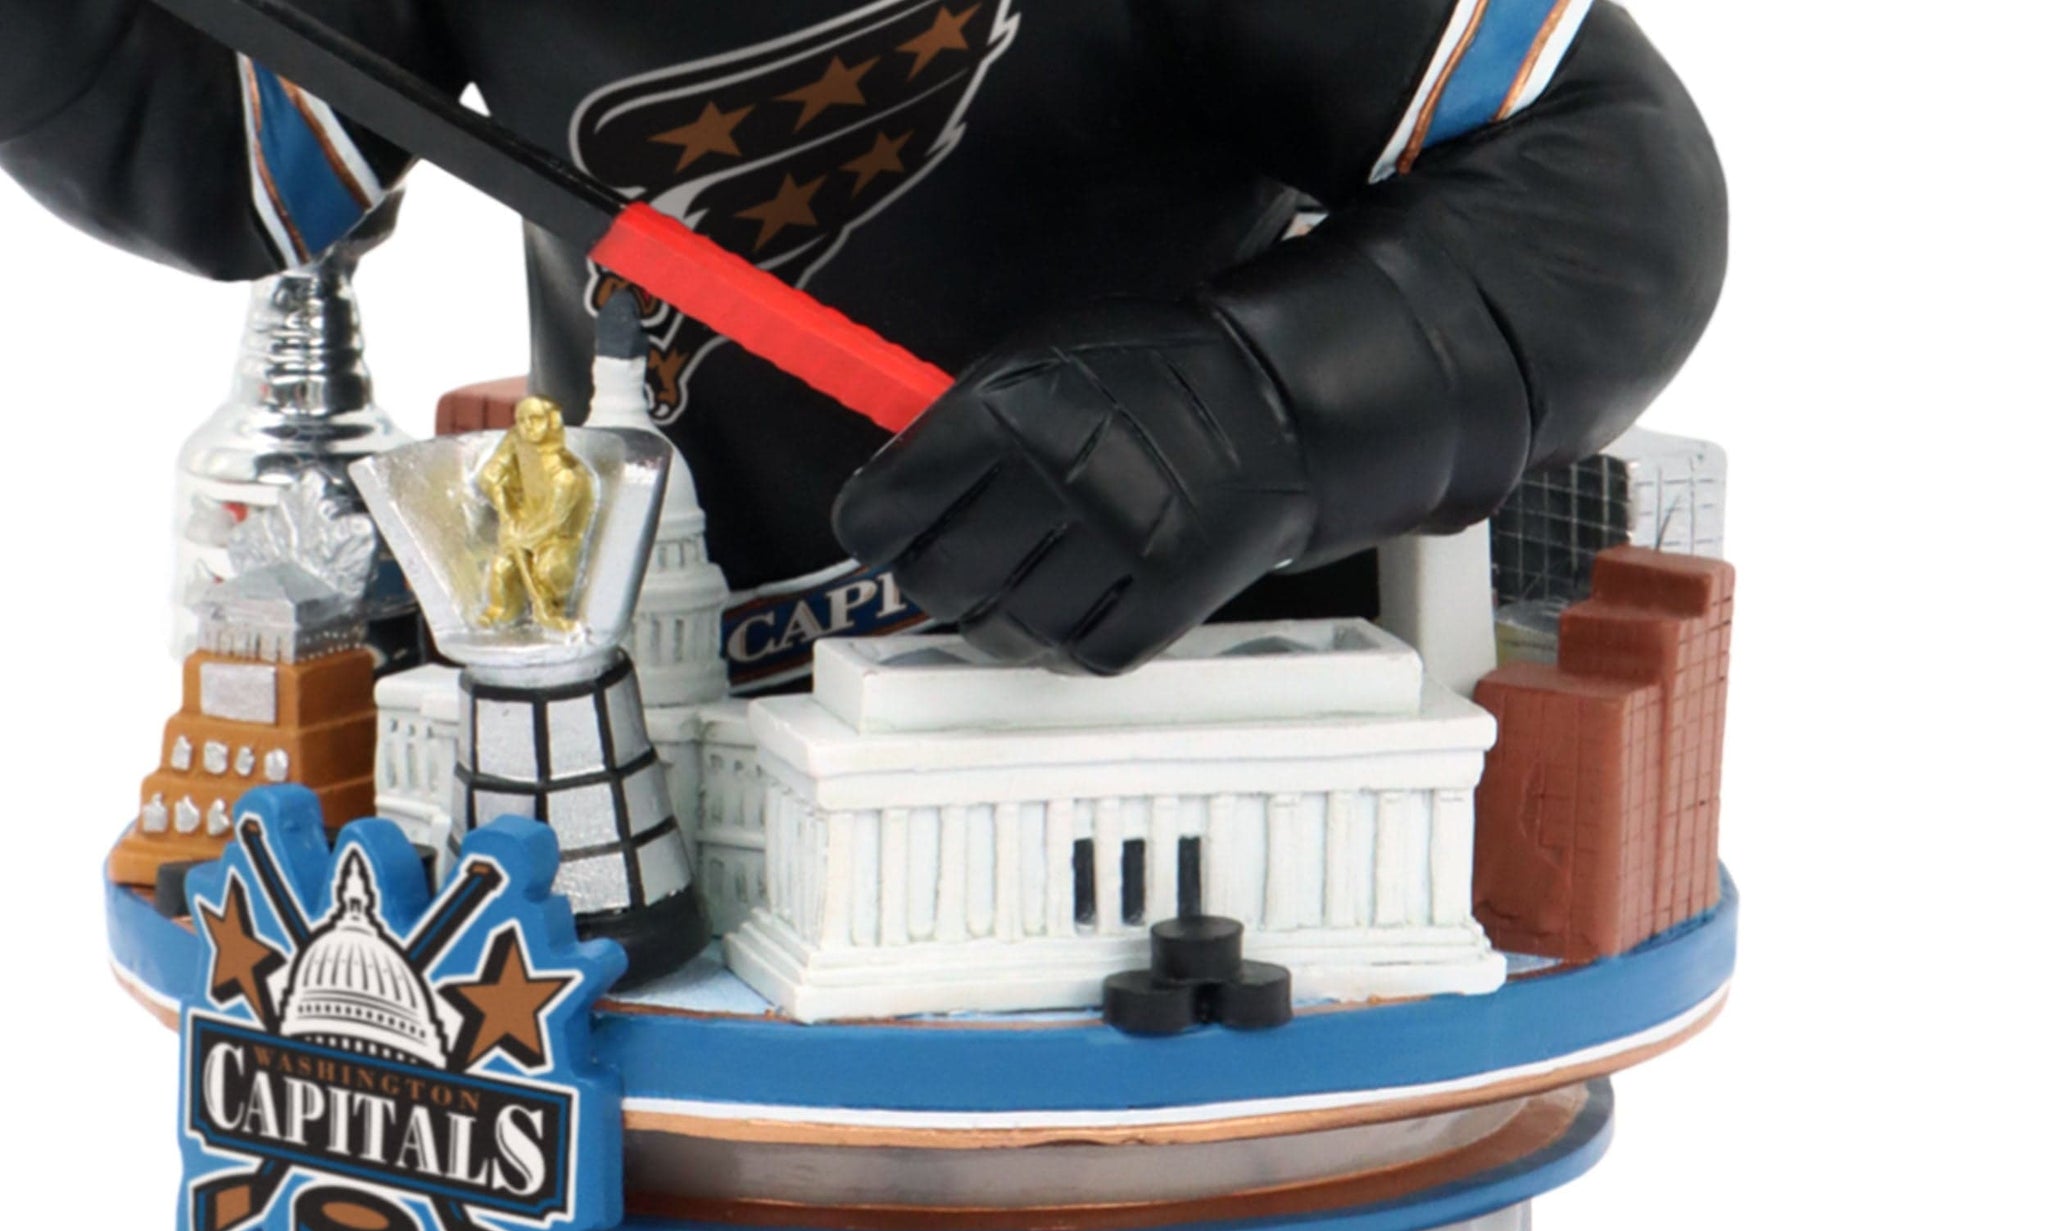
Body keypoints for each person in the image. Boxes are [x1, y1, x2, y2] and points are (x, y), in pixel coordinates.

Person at [0, 0, 1725, 681]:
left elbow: (1615, 184)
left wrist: (1260, 409)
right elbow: (233, 161)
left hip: (1147, 732)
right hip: (655, 721)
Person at [476, 396, 595, 632]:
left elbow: (554, 522)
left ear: (552, 421)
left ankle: (552, 608)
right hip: (524, 521)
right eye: (521, 420)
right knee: (501, 569)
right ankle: (501, 613)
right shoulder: (516, 439)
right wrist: (495, 483)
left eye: (535, 419)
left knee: (548, 570)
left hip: (559, 537)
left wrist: (521, 538)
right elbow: (493, 469)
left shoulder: (566, 473)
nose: (527, 426)